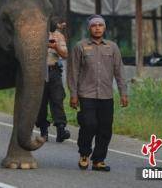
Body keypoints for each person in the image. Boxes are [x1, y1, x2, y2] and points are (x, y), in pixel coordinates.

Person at [68, 15, 128, 172]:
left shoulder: (112, 47)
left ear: (104, 28)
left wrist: (123, 92)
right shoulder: (80, 46)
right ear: (89, 28)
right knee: (89, 124)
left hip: (106, 95)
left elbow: (119, 71)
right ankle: (84, 153)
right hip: (86, 94)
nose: (97, 28)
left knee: (105, 128)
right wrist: (73, 94)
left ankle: (98, 160)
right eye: (94, 25)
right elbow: (73, 72)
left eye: (100, 25)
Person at [36, 22, 70, 142]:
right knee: (40, 102)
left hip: (53, 70)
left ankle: (61, 129)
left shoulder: (58, 36)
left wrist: (55, 47)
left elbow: (65, 54)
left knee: (57, 99)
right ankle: (43, 130)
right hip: (38, 72)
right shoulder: (35, 33)